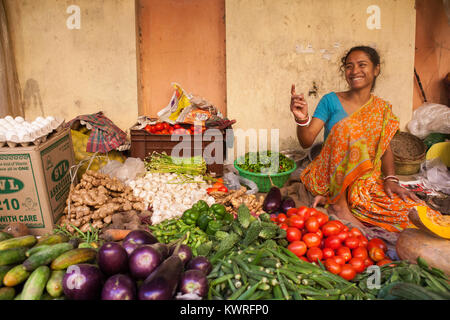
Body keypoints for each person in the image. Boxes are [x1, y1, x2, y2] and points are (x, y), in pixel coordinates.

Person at [290, 45, 441, 232]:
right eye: (349, 66)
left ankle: (354, 203)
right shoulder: (330, 101)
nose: (354, 71)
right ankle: (338, 204)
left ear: (376, 69)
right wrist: (301, 118)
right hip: (331, 176)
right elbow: (306, 141)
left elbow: (384, 149)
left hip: (365, 181)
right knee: (348, 126)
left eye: (362, 65)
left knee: (417, 214)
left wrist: (391, 179)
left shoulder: (381, 109)